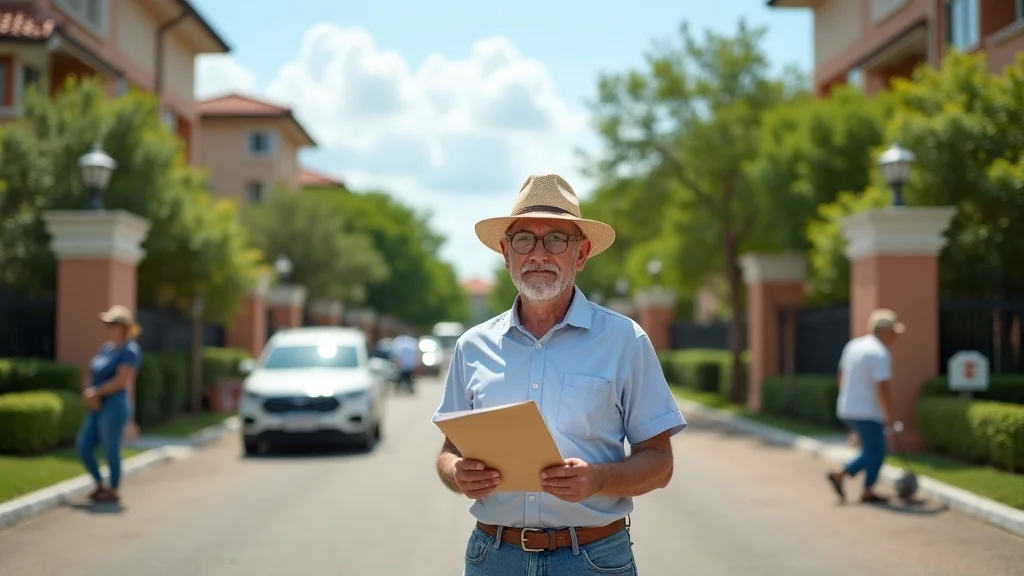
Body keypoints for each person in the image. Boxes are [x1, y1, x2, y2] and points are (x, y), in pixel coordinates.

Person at [432, 173, 687, 575]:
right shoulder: (471, 346)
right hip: (493, 557)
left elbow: (660, 463)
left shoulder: (625, 341)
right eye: (524, 239)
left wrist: (598, 479)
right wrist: (457, 473)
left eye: (556, 239)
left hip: (593, 559)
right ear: (505, 252)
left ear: (581, 254)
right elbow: (450, 451)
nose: (539, 254)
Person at [826, 308, 904, 505]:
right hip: (867, 411)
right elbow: (883, 387)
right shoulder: (880, 353)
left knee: (871, 449)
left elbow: (840, 378)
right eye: (894, 332)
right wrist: (890, 415)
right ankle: (868, 490)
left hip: (847, 408)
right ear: (885, 331)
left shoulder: (854, 346)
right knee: (877, 452)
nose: (895, 337)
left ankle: (841, 474)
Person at [76, 305, 143, 503]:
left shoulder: (130, 350)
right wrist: (90, 394)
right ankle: (99, 484)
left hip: (115, 405)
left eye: (113, 324)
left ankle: (113, 489)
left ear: (123, 327)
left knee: (110, 448)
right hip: (97, 404)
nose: (109, 327)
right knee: (84, 446)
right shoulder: (106, 348)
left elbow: (122, 379)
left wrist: (97, 392)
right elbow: (92, 373)